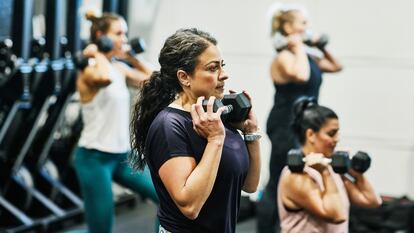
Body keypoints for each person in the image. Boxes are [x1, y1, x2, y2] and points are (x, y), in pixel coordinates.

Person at [129, 28, 261, 233]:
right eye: (212, 68)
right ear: (184, 77)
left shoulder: (215, 115)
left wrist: (251, 134)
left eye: (222, 66)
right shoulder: (169, 126)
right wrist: (216, 139)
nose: (223, 75)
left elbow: (249, 185)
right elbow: (190, 206)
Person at [256, 4, 343, 233]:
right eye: (303, 23)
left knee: (301, 176)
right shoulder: (283, 58)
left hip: (305, 125)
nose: (308, 27)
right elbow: (301, 75)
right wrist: (299, 48)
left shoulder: (309, 57)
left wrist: (321, 47)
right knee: (278, 180)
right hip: (284, 125)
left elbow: (336, 66)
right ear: (287, 27)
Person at [73, 12, 158, 233]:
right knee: (102, 228)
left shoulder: (119, 68)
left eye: (125, 33)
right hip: (94, 158)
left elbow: (155, 80)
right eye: (119, 34)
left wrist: (131, 57)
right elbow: (104, 79)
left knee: (168, 199)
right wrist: (97, 51)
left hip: (123, 155)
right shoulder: (88, 69)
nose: (124, 39)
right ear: (102, 36)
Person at [277, 97, 382, 232]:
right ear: (311, 135)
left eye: (337, 132)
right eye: (331, 133)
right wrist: (325, 173)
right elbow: (338, 215)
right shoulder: (296, 175)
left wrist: (354, 172)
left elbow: (372, 201)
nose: (337, 139)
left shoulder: (331, 167)